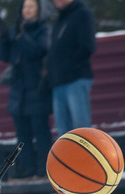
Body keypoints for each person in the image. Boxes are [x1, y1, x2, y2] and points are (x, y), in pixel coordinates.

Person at [0, 0, 54, 178]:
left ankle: (44, 170)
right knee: (22, 135)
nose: (27, 10)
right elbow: (3, 56)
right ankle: (27, 168)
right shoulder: (17, 29)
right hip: (18, 90)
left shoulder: (43, 29)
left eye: (31, 7)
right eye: (25, 7)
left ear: (39, 10)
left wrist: (22, 38)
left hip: (36, 87)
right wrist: (4, 38)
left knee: (40, 131)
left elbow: (40, 51)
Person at [48, 0, 96, 134]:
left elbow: (87, 46)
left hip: (76, 79)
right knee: (63, 132)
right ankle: (66, 156)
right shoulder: (60, 18)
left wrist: (70, 67)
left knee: (81, 129)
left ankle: (86, 155)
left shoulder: (82, 14)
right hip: (58, 81)